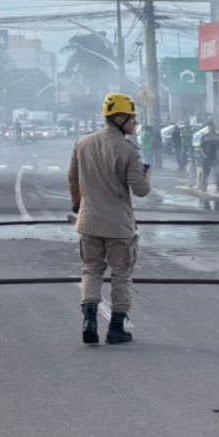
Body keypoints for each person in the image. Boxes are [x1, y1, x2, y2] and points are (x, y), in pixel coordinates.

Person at [67, 93, 152, 345]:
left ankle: (89, 319)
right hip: (119, 226)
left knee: (91, 270)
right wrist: (147, 176)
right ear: (119, 118)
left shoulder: (82, 143)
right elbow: (141, 190)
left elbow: (72, 178)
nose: (134, 124)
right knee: (121, 274)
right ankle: (117, 327)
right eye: (132, 119)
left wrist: (78, 205)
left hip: (89, 222)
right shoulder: (128, 150)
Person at [199, 121, 219, 191]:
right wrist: (204, 155)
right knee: (206, 173)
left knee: (218, 172)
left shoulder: (218, 136)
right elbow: (201, 147)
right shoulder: (204, 136)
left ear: (214, 127)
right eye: (209, 127)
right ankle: (204, 187)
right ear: (208, 128)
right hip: (207, 157)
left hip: (217, 157)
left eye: (212, 127)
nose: (211, 128)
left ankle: (218, 186)